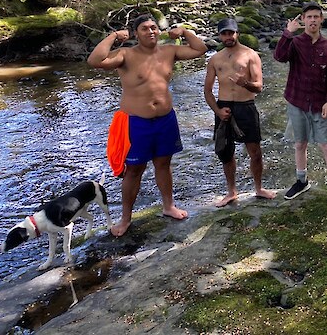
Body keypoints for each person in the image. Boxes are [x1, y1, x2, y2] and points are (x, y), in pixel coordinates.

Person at [87, 14, 208, 237]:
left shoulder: (169, 51)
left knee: (164, 164)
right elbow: (94, 61)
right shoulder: (125, 54)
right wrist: (114, 36)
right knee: (134, 171)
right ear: (135, 33)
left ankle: (168, 206)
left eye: (153, 27)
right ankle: (125, 219)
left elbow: (200, 49)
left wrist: (184, 32)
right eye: (144, 28)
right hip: (136, 122)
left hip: (165, 119)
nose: (151, 31)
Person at [273, 1, 327, 200]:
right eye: (309, 17)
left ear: (322, 20)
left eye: (316, 16)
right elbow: (279, 57)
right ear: (303, 20)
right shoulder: (295, 43)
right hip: (297, 100)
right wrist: (287, 33)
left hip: (319, 103)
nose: (313, 20)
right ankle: (301, 181)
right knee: (300, 144)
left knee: (326, 145)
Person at [204, 18, 276, 207]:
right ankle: (231, 192)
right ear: (219, 36)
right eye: (224, 33)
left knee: (255, 151)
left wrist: (245, 83)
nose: (228, 37)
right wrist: (218, 111)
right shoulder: (215, 59)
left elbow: (259, 87)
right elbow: (207, 91)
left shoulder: (250, 55)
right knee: (225, 153)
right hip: (224, 106)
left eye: (231, 33)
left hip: (246, 106)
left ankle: (259, 188)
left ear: (237, 33)